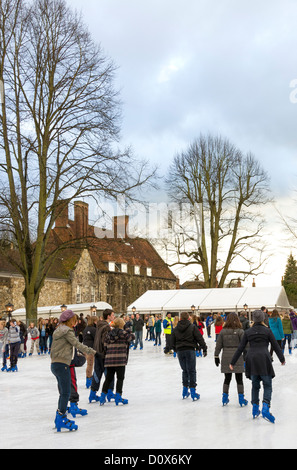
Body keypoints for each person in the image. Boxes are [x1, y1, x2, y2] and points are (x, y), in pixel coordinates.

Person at [230, 310, 285, 423]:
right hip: (264, 359)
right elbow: (275, 345)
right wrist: (282, 359)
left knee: (255, 385)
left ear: (254, 319)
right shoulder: (267, 331)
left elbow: (240, 348)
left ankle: (255, 408)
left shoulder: (248, 332)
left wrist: (232, 362)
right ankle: (265, 407)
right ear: (263, 319)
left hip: (252, 360)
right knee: (267, 385)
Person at [50, 310, 96, 432]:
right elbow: (77, 344)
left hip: (55, 364)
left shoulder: (58, 329)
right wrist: (92, 351)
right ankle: (61, 418)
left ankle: (59, 417)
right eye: (74, 320)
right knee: (65, 393)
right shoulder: (67, 331)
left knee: (63, 392)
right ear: (70, 320)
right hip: (62, 364)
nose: (75, 322)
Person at [172, 311, 207, 401]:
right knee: (191, 371)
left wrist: (175, 349)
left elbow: (171, 340)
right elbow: (199, 338)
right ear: (188, 318)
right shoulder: (192, 327)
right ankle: (193, 391)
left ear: (180, 319)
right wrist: (204, 348)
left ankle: (184, 391)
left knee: (185, 370)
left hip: (180, 351)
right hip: (190, 350)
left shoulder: (176, 328)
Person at [99, 317, 135, 406]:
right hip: (120, 360)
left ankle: (103, 396)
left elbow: (105, 345)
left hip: (109, 360)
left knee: (108, 378)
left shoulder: (109, 334)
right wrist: (127, 329)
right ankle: (118, 396)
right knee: (120, 378)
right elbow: (132, 337)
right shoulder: (123, 333)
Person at [214, 312, 248, 407]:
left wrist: (216, 356)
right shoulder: (240, 331)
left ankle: (224, 397)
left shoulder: (223, 331)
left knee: (227, 378)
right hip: (237, 357)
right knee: (239, 379)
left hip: (226, 357)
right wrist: (246, 357)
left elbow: (218, 345)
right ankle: (241, 399)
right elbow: (245, 345)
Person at [89, 309, 115, 403]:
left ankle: (92, 393)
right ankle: (109, 392)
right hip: (104, 354)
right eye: (112, 315)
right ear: (108, 316)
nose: (114, 316)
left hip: (97, 352)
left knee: (97, 373)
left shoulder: (99, 325)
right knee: (109, 374)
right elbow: (105, 341)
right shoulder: (106, 327)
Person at [83, 315, 98, 388]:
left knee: (90, 364)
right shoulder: (93, 329)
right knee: (90, 364)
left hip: (86, 348)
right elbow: (96, 339)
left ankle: (89, 379)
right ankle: (89, 379)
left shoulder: (86, 328)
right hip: (90, 349)